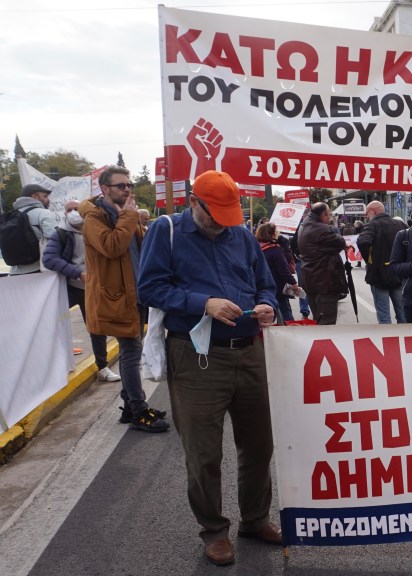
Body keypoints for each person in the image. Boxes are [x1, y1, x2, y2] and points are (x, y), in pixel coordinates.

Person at [137, 170, 281, 566]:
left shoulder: (242, 235)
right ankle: (214, 531)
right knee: (203, 452)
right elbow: (149, 288)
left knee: (259, 444)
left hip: (249, 350)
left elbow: (265, 284)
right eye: (214, 215)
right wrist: (203, 303)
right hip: (196, 355)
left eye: (227, 216)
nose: (221, 224)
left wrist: (268, 305)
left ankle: (255, 519)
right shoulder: (166, 231)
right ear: (194, 203)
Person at [79, 166, 168, 432]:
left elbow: (139, 249)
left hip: (134, 293)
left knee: (133, 349)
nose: (127, 189)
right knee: (131, 351)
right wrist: (130, 217)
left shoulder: (125, 213)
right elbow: (112, 246)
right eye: (121, 185)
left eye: (129, 185)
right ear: (105, 189)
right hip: (115, 297)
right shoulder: (95, 218)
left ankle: (130, 406)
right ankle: (138, 411)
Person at [41, 200, 120, 382]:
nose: (73, 212)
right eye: (69, 210)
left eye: (76, 209)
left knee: (96, 328)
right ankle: (55, 366)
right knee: (55, 325)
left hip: (93, 289)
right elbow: (49, 259)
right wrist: (77, 273)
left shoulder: (97, 231)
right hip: (70, 287)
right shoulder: (61, 233)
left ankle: (102, 367)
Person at [357, 200, 408, 324]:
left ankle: (388, 336)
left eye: (367, 213)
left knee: (384, 314)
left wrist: (369, 261)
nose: (366, 216)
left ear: (373, 211)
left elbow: (363, 242)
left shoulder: (372, 225)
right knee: (402, 312)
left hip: (379, 275)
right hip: (398, 274)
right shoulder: (400, 224)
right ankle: (405, 334)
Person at [297, 202, 348, 325]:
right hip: (325, 282)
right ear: (324, 215)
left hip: (311, 280)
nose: (330, 217)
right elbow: (340, 242)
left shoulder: (304, 226)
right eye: (329, 214)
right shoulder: (323, 229)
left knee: (318, 319)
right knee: (327, 322)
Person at [6, 183, 58, 276]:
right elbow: (54, 240)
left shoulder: (10, 215)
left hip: (15, 272)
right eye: (45, 196)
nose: (48, 199)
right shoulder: (43, 213)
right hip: (40, 270)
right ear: (35, 196)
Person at [255, 222, 298, 322]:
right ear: (271, 234)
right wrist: (293, 283)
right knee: (285, 314)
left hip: (262, 287)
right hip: (278, 287)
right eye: (276, 231)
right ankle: (289, 331)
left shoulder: (256, 248)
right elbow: (284, 269)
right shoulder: (275, 250)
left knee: (267, 316)